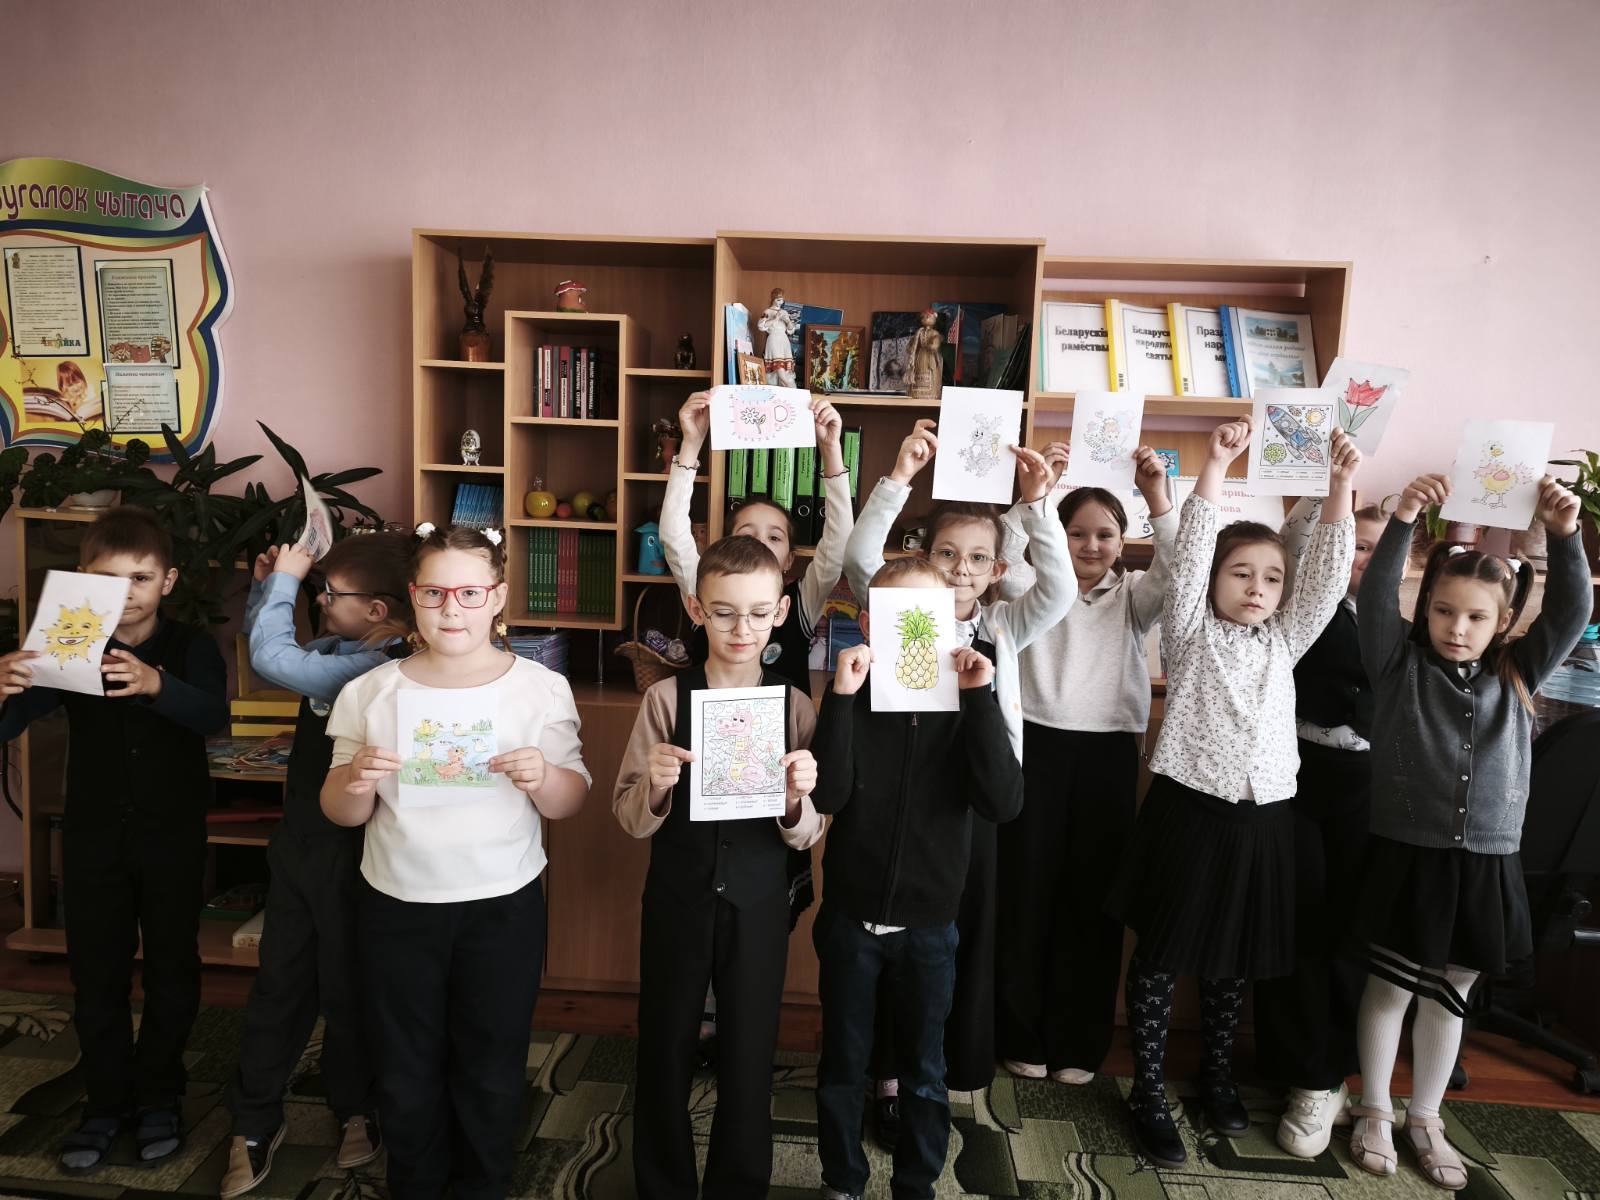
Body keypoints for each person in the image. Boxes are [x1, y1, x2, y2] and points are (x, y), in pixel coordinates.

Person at [1107, 417, 1360, 1168]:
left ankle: (1215, 1075)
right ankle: (1148, 1091)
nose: (1257, 589)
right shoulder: (1191, 632)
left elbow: (1325, 577)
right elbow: (1189, 555)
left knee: (1232, 961)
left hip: (1264, 820)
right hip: (1190, 812)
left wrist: (1341, 485)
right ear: (1215, 579)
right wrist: (1215, 466)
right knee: (1161, 957)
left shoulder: (1286, 640)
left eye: (1271, 578)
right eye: (1241, 574)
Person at [321, 524, 590, 1199]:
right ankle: (415, 1182)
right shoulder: (371, 693)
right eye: (435, 593)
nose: (452, 608)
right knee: (405, 1062)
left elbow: (569, 801)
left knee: (492, 1062)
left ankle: (483, 1183)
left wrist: (543, 777)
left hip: (502, 904)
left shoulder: (539, 688)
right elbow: (340, 811)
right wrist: (355, 780)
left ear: (497, 597)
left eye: (470, 593)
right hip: (397, 903)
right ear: (413, 596)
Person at [1347, 472, 1590, 1190]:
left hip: (1484, 863)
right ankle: (1373, 1107)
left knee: (1450, 991)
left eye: (1476, 617)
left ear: (1503, 622)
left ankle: (1426, 1116)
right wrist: (1404, 518)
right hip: (1408, 855)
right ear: (1425, 610)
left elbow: (1573, 609)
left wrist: (1565, 536)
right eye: (1444, 612)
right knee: (1391, 987)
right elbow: (1376, 597)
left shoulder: (1519, 673)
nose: (1457, 628)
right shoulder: (1397, 665)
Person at [843, 419, 1071, 1106]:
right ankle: (887, 1074)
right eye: (947, 553)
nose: (960, 569)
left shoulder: (1002, 625)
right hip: (906, 799)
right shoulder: (900, 609)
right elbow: (860, 559)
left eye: (977, 558)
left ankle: (946, 1072)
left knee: (959, 942)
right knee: (899, 941)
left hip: (976, 803)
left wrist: (1037, 506)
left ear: (998, 570)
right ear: (925, 555)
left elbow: (1058, 591)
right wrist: (899, 477)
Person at [0, 507, 228, 1171]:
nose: (125, 593)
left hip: (171, 835)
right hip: (93, 836)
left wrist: (158, 685)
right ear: (81, 580)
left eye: (141, 578)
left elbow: (213, 715)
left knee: (172, 966)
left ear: (168, 582)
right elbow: (12, 722)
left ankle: (160, 1093)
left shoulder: (190, 645)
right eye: (107, 580)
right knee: (95, 971)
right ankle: (103, 1101)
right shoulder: (70, 640)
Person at [615, 534, 824, 1200]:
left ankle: (740, 1185)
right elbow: (628, 817)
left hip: (758, 904)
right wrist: (656, 786)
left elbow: (810, 831)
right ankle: (663, 1185)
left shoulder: (795, 706)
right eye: (725, 612)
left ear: (780, 613)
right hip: (677, 897)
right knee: (665, 1045)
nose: (742, 629)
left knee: (750, 1051)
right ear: (696, 609)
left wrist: (794, 800)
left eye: (759, 613)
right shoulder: (665, 700)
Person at [810, 555, 1024, 1200]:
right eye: (896, 616)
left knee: (925, 1070)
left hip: (930, 923)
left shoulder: (965, 701)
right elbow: (829, 794)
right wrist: (840, 700)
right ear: (869, 624)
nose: (912, 630)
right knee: (843, 1061)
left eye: (927, 617)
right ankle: (842, 1181)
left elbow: (1003, 801)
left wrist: (979, 698)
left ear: (948, 624)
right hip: (851, 916)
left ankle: (917, 1183)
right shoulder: (852, 697)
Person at [221, 532, 413, 1195]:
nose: (319, 601)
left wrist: (285, 581)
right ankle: (253, 1117)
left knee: (347, 985)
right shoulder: (338, 651)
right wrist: (267, 587)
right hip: (299, 844)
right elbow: (273, 648)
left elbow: (273, 659)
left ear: (378, 611)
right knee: (280, 981)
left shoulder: (375, 667)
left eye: (328, 594)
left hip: (350, 853)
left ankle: (356, 1104)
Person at [994, 443, 1176, 1084]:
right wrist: (1036, 493)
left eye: (1105, 534)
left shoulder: (1135, 596)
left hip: (1107, 753)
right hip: (1035, 744)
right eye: (1077, 533)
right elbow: (1006, 551)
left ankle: (1078, 1042)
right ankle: (1020, 1032)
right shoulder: (1033, 587)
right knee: (1027, 891)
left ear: (1124, 542)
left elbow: (1179, 569)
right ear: (1058, 535)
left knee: (1093, 901)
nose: (1091, 545)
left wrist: (1157, 497)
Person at [1252, 497, 1388, 1157]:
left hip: (1372, 787)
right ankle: (1304, 1076)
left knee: (1351, 932)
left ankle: (1339, 1073)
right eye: (1358, 546)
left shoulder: (1409, 625)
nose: (1366, 560)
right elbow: (1299, 539)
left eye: (1380, 550)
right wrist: (1325, 483)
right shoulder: (1301, 608)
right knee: (1296, 924)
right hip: (1299, 776)